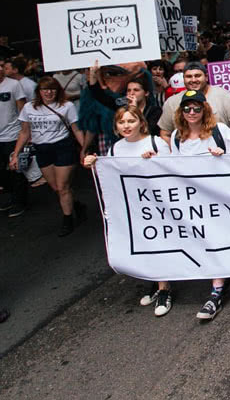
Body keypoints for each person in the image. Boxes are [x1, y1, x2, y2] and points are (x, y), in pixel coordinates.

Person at [83, 106, 171, 315]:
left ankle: (164, 289)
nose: (126, 126)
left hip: (156, 205)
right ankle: (155, 282)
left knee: (159, 245)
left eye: (131, 121)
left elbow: (171, 171)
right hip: (132, 206)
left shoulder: (156, 143)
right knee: (144, 245)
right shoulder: (115, 149)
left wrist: (155, 161)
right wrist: (95, 164)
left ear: (141, 122)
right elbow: (112, 178)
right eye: (122, 122)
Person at [168, 90, 230, 320]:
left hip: (218, 197)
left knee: (216, 239)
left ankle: (216, 290)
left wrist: (222, 155)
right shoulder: (177, 136)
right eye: (187, 108)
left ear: (205, 109)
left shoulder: (220, 132)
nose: (192, 112)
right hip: (192, 199)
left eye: (196, 108)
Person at [9, 77, 85, 236]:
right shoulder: (29, 108)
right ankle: (75, 205)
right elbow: (24, 132)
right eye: (45, 89)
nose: (48, 92)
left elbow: (76, 129)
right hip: (42, 149)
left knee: (63, 186)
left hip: (62, 147)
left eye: (52, 89)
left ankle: (67, 219)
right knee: (56, 187)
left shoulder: (67, 106)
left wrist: (84, 149)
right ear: (39, 92)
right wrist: (16, 154)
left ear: (57, 91)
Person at [158, 62, 230, 142]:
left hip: (219, 153)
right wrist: (174, 154)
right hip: (185, 152)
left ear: (206, 77)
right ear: (183, 79)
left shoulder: (224, 97)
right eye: (189, 76)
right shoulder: (172, 102)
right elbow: (165, 134)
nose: (193, 80)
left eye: (197, 76)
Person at [0, 62, 28, 217]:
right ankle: (11, 196)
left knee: (16, 168)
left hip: (12, 134)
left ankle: (20, 201)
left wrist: (25, 132)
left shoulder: (14, 85)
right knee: (2, 172)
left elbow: (22, 109)